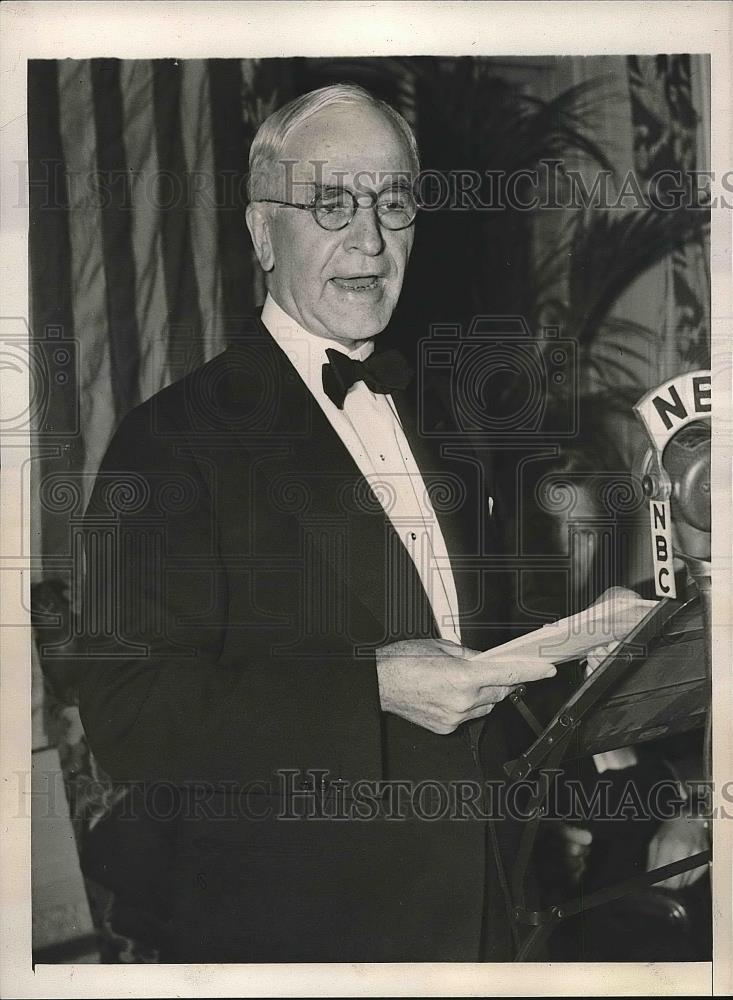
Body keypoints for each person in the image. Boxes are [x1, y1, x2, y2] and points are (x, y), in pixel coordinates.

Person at [77, 83, 561, 963]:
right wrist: (366, 686)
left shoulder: (456, 414)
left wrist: (604, 644)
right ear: (263, 233)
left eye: (392, 203)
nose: (369, 240)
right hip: (302, 931)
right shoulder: (171, 440)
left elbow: (496, 637)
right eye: (330, 203)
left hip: (494, 909)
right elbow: (129, 715)